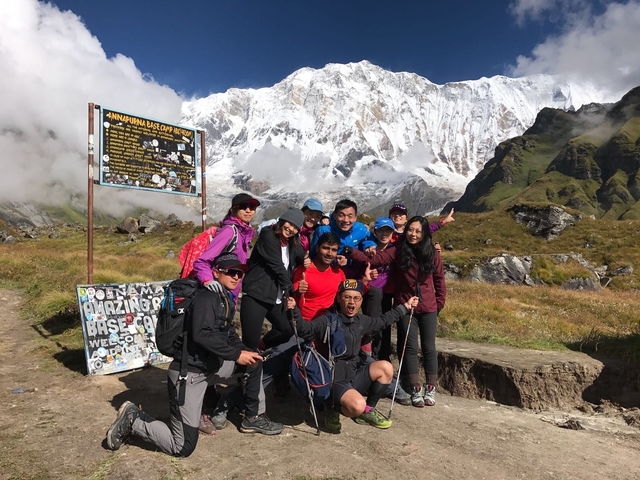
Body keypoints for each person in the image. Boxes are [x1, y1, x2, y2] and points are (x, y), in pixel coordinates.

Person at [105, 254, 283, 457]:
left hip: (211, 367)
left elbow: (229, 334)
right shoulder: (206, 298)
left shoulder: (224, 299)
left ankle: (252, 417)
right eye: (231, 272)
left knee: (253, 363)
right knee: (182, 447)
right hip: (189, 374)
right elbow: (201, 334)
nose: (236, 277)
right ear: (216, 273)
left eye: (239, 273)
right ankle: (133, 419)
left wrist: (247, 352)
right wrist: (235, 355)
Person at [288, 280, 419, 432]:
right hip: (334, 381)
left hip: (353, 377)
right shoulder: (327, 321)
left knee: (386, 368)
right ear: (338, 298)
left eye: (356, 298)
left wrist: (405, 307)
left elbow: (383, 321)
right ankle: (332, 408)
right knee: (357, 405)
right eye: (347, 297)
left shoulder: (360, 321)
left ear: (361, 301)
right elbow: (305, 330)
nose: (352, 303)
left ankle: (368, 411)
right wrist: (294, 311)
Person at [346, 216, 446, 408]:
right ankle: (415, 388)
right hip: (406, 305)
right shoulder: (399, 250)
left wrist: (439, 303)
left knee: (429, 347)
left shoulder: (432, 253)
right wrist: (352, 252)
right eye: (410, 230)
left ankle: (430, 388)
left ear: (424, 233)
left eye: (418, 231)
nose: (413, 234)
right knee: (408, 347)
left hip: (428, 307)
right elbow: (376, 258)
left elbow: (439, 280)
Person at [240, 207, 307, 350]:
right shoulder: (268, 235)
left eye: (296, 227)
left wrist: (306, 260)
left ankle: (261, 348)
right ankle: (243, 370)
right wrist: (291, 289)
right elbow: (277, 266)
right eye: (289, 223)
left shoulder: (291, 243)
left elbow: (302, 256)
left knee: (286, 330)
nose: (291, 229)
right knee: (249, 342)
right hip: (256, 294)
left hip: (275, 298)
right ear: (282, 220)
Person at [193, 193, 259, 302]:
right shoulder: (229, 231)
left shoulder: (244, 233)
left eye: (252, 207)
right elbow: (202, 261)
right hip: (218, 292)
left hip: (231, 293)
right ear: (233, 210)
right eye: (244, 206)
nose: (248, 210)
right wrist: (208, 280)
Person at [293, 232, 345, 321]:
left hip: (329, 324)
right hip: (305, 323)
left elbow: (348, 297)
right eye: (325, 248)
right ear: (317, 248)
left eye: (334, 250)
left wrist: (365, 281)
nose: (329, 253)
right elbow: (292, 299)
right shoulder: (303, 271)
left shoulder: (339, 273)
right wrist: (298, 292)